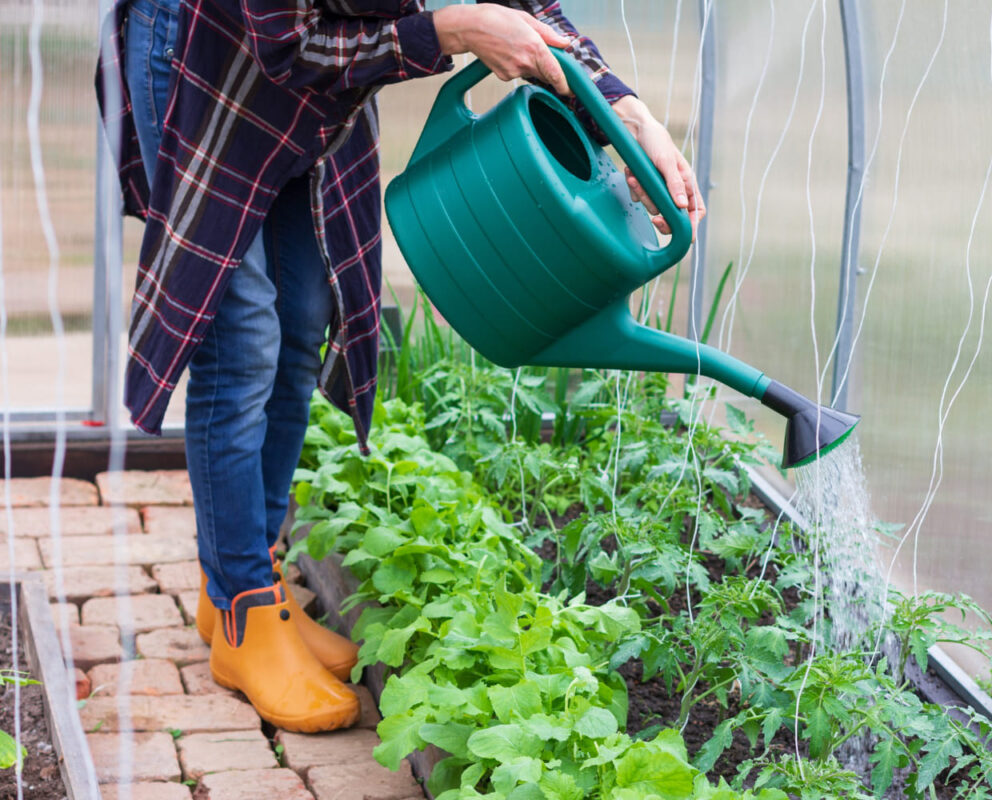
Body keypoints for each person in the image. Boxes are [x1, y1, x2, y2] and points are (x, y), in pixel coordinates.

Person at [97, 0, 705, 733]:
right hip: (213, 55)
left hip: (318, 81)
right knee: (243, 334)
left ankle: (245, 575)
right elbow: (287, 43)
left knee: (300, 321)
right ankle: (242, 616)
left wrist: (632, 115)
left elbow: (530, 7)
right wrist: (453, 30)